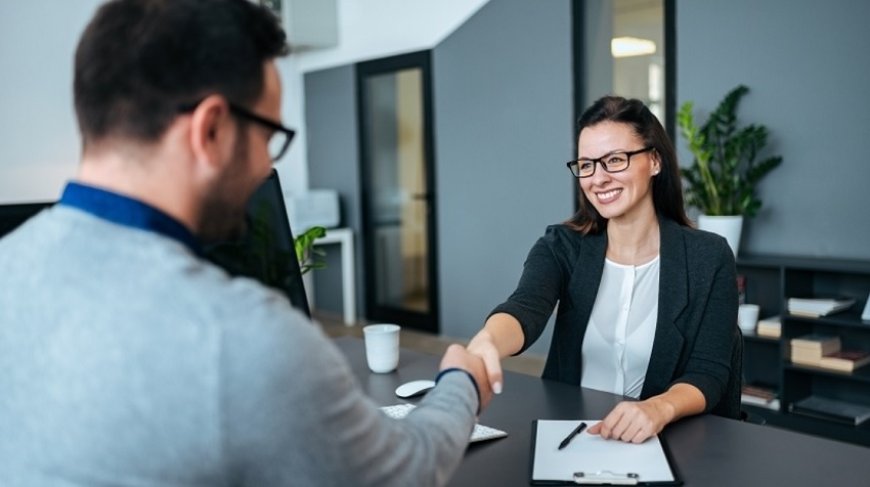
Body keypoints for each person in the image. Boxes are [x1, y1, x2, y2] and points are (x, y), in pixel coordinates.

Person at [0, 1, 491, 485]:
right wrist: (461, 381)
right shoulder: (236, 336)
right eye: (267, 137)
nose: (266, 167)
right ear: (210, 129)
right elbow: (409, 471)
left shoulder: (9, 266)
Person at [467, 95, 740, 444]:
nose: (598, 178)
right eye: (586, 164)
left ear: (654, 160)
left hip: (665, 439)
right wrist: (487, 342)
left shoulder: (708, 256)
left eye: (614, 160)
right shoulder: (562, 245)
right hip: (571, 435)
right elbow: (525, 307)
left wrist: (658, 408)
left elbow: (709, 371)